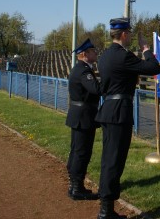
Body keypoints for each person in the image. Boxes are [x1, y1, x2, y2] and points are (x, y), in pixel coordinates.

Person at [95, 18, 160, 219]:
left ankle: (107, 207)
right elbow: (154, 68)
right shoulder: (123, 56)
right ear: (123, 34)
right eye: (130, 33)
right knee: (114, 161)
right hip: (118, 112)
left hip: (109, 109)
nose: (131, 36)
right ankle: (106, 211)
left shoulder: (105, 55)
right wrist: (146, 49)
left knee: (110, 159)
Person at [65, 38, 101, 201]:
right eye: (93, 51)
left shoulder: (78, 68)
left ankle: (74, 185)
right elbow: (95, 89)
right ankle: (77, 187)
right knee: (82, 152)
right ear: (85, 54)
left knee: (77, 150)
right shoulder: (84, 71)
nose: (96, 53)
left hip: (78, 114)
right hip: (84, 115)